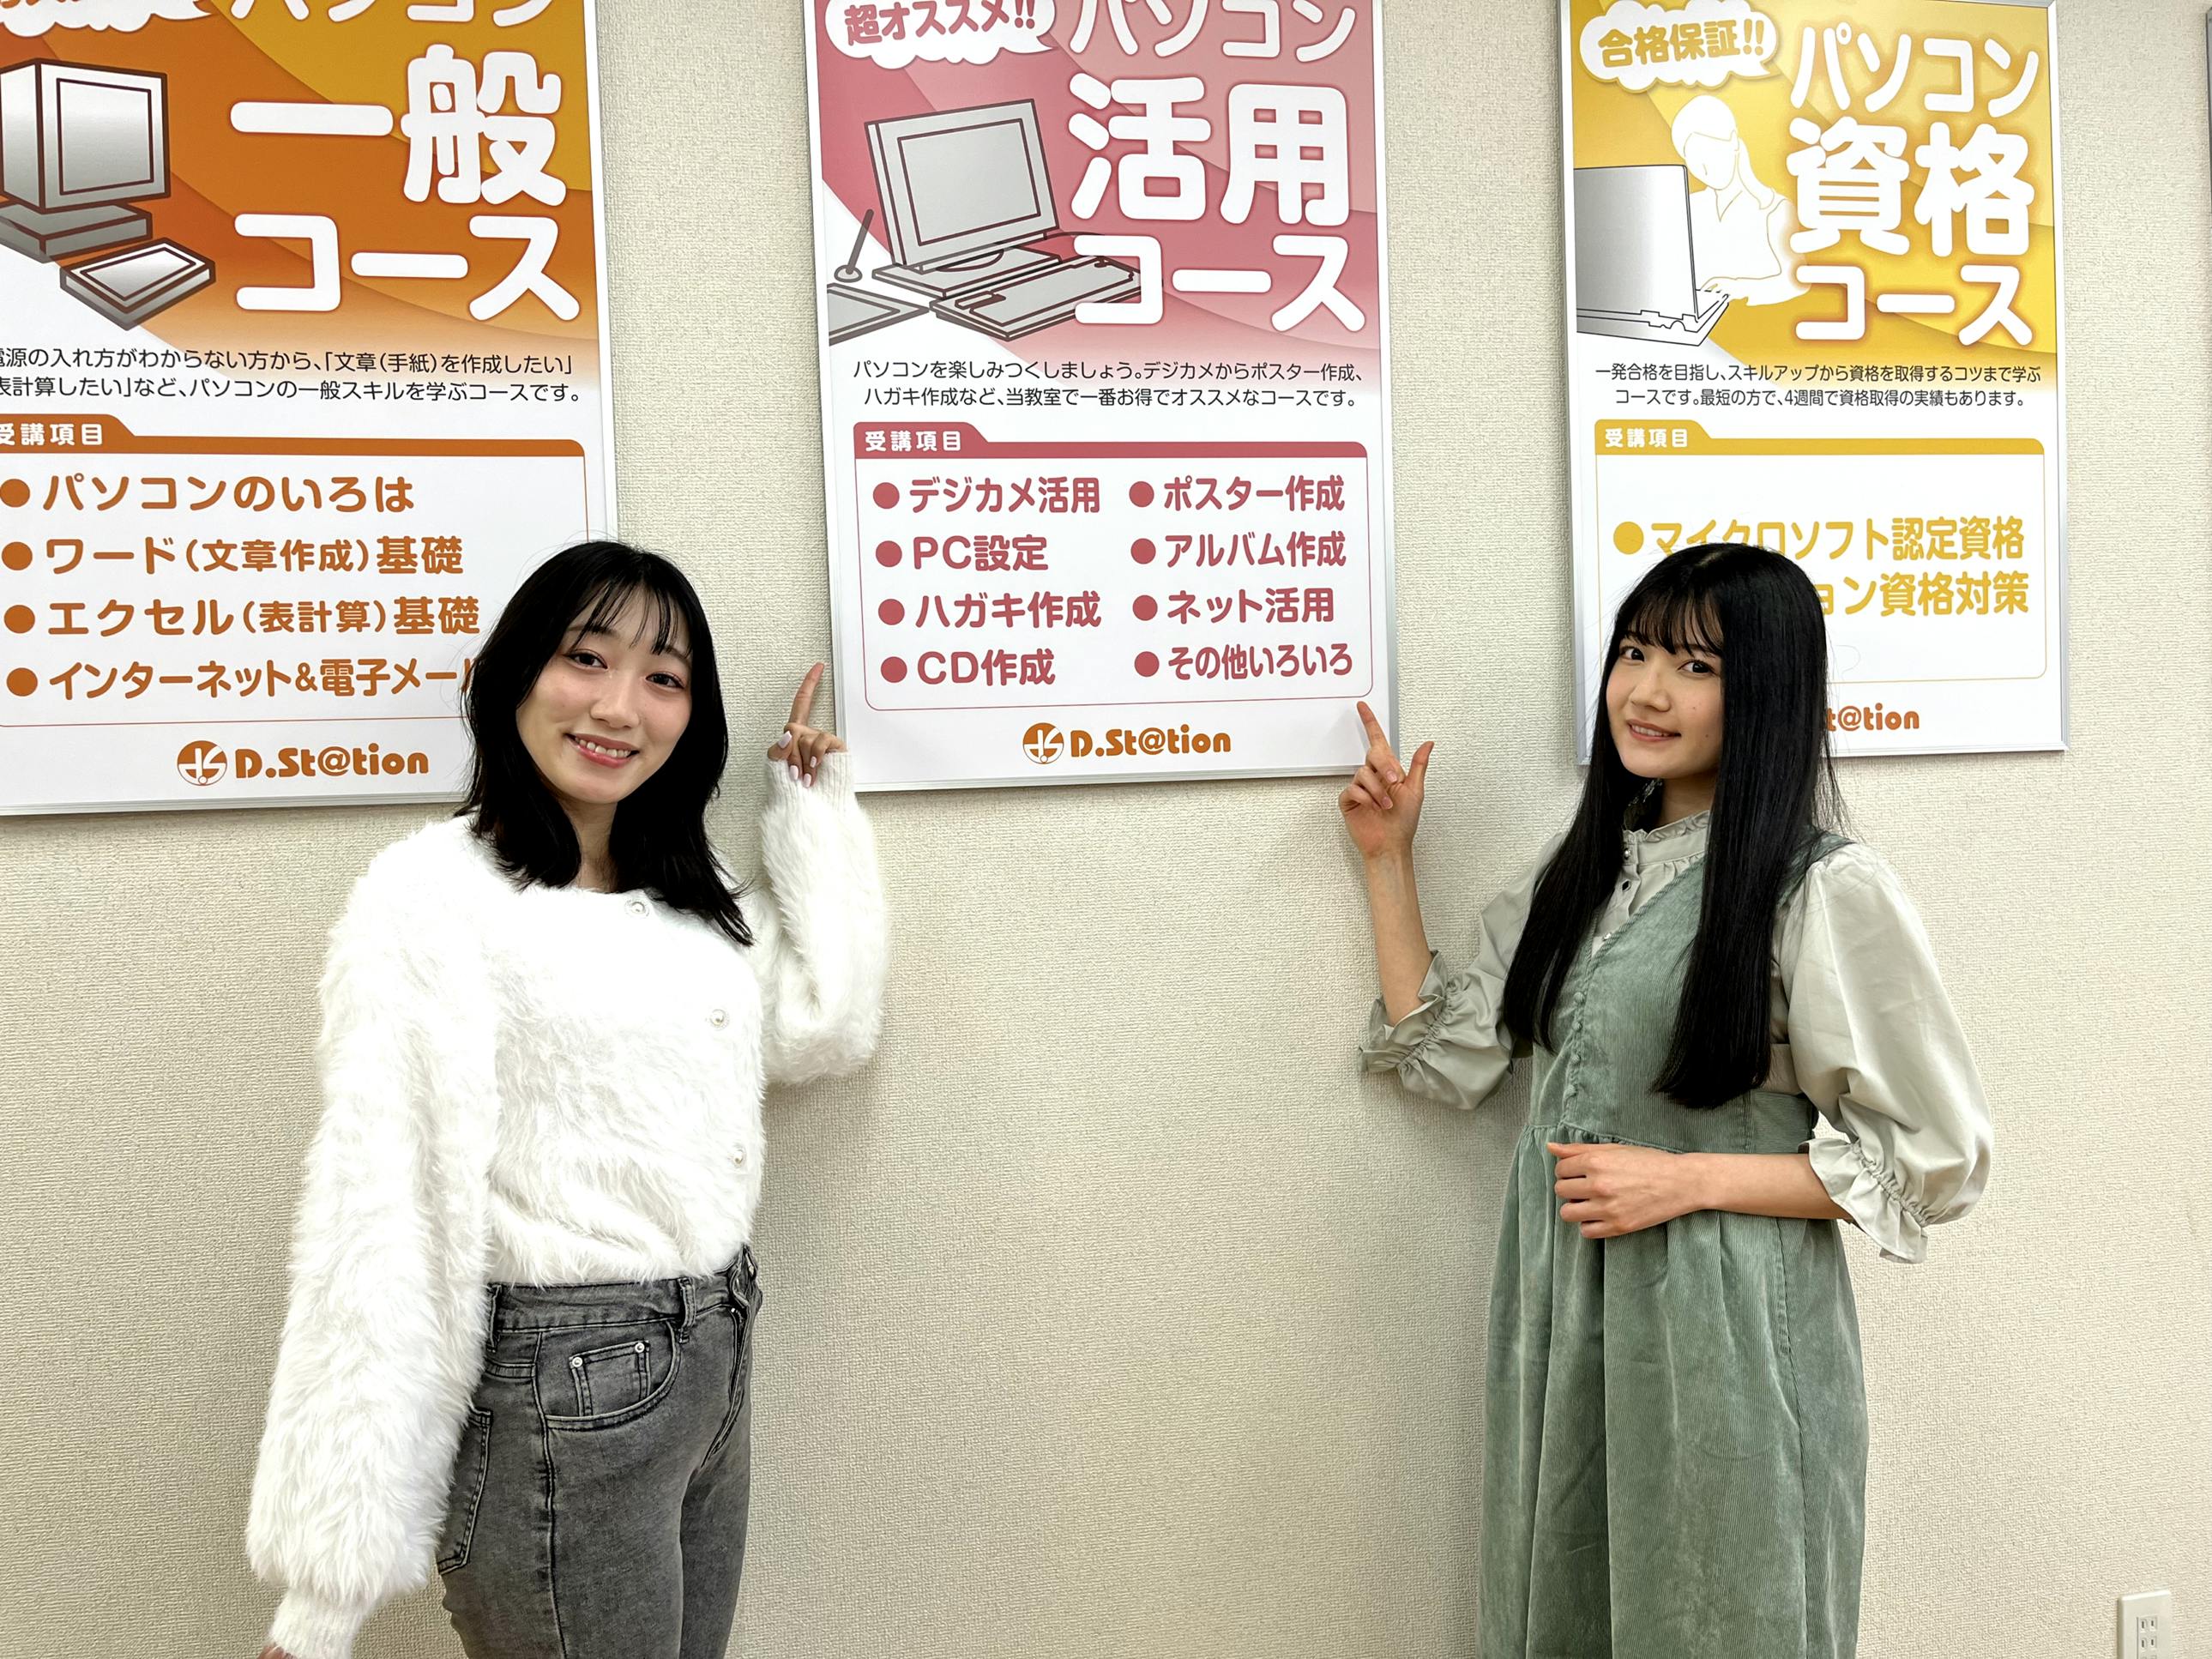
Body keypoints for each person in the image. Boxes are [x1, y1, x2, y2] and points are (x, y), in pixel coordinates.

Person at [1341, 544, 1990, 1657]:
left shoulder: (1820, 887)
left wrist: (1685, 1177)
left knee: (1717, 1609)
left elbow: (1931, 1160)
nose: (1645, 691)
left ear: (1766, 691)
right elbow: (1450, 1052)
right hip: (1562, 1318)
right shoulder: (1585, 868)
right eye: (1634, 652)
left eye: (1694, 666)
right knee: (1565, 1603)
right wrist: (1385, 862)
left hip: (1723, 1329)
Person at [244, 540, 887, 1659]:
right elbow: (382, 1211)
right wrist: (322, 1592)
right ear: (512, 674)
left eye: (662, 676)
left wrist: (810, 810)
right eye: (585, 657)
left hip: (713, 1354)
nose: (618, 705)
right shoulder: (433, 896)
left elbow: (821, 1027)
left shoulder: (688, 899)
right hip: (561, 1387)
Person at [1672, 94, 1803, 307]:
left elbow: (1797, 281)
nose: (1704, 167)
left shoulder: (1775, 210)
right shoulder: (1688, 208)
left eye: (1709, 152)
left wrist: (1741, 287)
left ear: (1733, 142)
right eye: (1693, 158)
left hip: (1760, 320)